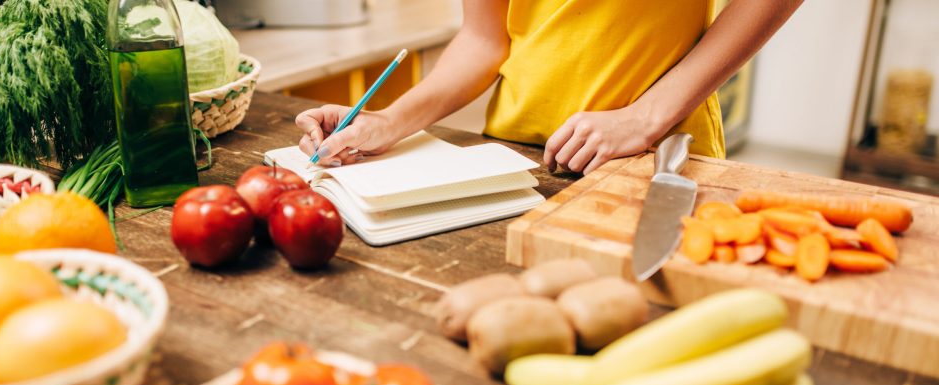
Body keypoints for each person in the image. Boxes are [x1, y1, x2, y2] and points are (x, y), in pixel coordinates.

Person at [295, 0, 804, 175]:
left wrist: (645, 116)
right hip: (517, 163)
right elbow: (484, 40)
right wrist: (388, 121)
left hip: (658, 156)